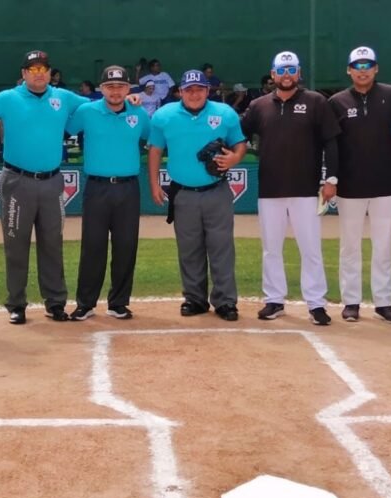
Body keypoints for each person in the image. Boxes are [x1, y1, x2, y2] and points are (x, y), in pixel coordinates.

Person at [0, 50, 90, 324]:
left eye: (43, 68)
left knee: (52, 244)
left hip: (52, 181)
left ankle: (55, 303)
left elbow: (97, 106)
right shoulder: (7, 98)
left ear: (50, 72)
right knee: (16, 245)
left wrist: (131, 100)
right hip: (17, 180)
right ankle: (16, 304)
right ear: (23, 74)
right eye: (32, 69)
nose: (38, 73)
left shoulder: (63, 97)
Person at [242, 51, 340, 325]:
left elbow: (331, 142)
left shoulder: (316, 101)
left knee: (310, 249)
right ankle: (274, 300)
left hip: (305, 189)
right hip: (269, 189)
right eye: (282, 70)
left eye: (291, 70)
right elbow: (238, 133)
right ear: (273, 74)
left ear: (299, 73)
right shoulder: (259, 105)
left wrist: (331, 179)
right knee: (271, 249)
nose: (287, 75)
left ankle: (316, 304)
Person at [148, 69, 247, 321]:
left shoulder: (225, 113)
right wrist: (154, 184)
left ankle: (225, 301)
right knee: (189, 249)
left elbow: (240, 143)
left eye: (199, 89)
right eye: (189, 90)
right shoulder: (164, 115)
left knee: (222, 248)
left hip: (217, 190)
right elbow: (155, 150)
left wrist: (235, 157)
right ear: (180, 91)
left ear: (207, 90)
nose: (194, 94)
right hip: (182, 192)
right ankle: (195, 299)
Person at [328, 47, 391, 323]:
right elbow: (332, 143)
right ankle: (351, 301)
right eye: (357, 66)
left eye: (367, 65)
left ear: (376, 68)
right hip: (349, 185)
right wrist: (331, 178)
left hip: (384, 183)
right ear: (348, 70)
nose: (362, 71)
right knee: (349, 246)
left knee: (383, 245)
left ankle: (383, 302)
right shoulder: (337, 102)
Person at [66, 65, 150, 321]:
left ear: (128, 89)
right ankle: (86, 303)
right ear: (101, 89)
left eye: (121, 86)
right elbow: (65, 127)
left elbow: (153, 139)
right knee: (93, 246)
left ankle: (118, 303)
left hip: (128, 187)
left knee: (126, 246)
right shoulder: (87, 111)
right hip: (97, 187)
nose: (115, 91)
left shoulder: (139, 113)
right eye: (110, 86)